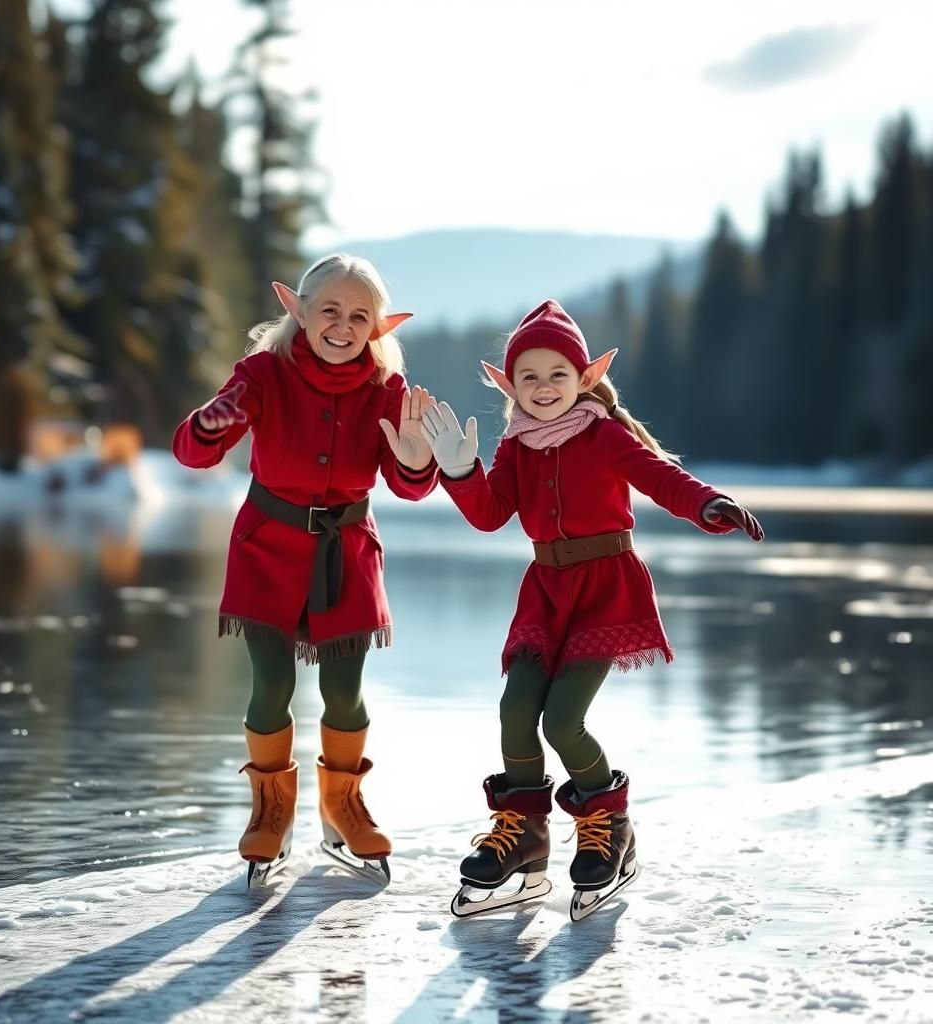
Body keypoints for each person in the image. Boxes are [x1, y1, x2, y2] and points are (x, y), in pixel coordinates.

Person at [421, 299, 763, 920]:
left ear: (582, 378)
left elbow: (661, 478)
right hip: (546, 590)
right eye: (529, 377)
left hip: (606, 589)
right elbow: (491, 513)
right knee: (515, 707)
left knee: (562, 720)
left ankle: (611, 828)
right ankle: (524, 836)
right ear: (511, 386)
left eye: (557, 374)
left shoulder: (605, 433)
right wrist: (460, 470)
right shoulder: (518, 444)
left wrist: (709, 504)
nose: (544, 388)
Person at [173, 254, 437, 885]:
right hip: (267, 549)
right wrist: (212, 423)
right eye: (330, 311)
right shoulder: (263, 372)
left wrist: (416, 454)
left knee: (345, 692)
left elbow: (411, 487)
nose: (342, 326)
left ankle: (342, 808)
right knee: (271, 688)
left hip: (346, 551)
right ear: (299, 311)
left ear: (377, 327)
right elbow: (191, 450)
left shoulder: (388, 389)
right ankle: (270, 812)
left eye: (358, 316)